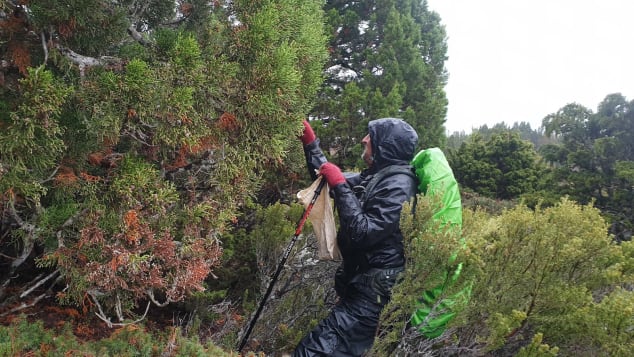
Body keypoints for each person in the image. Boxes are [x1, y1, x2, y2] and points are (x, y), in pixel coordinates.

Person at [293, 118, 419, 357]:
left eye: (370, 136)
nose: (364, 139)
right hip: (362, 288)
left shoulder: (399, 185)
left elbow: (364, 233)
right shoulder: (377, 177)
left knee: (310, 352)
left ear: (385, 146)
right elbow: (325, 179)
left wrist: (340, 185)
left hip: (373, 298)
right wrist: (310, 144)